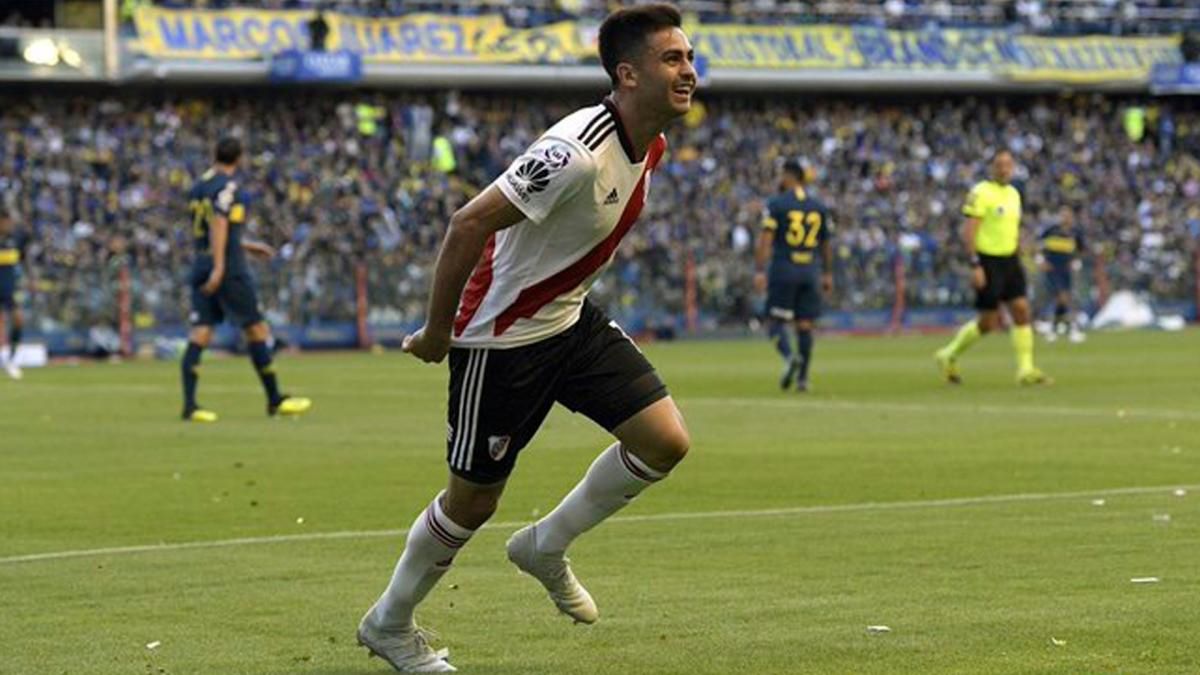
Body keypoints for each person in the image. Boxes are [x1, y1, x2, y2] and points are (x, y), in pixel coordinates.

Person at [357, 5, 696, 672]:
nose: (688, 71)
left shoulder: (650, 140)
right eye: (672, 59)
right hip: (503, 337)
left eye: (689, 57)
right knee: (472, 501)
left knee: (664, 440)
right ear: (628, 74)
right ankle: (388, 623)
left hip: (568, 319)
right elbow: (467, 223)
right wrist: (438, 332)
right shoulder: (573, 152)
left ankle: (545, 545)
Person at [181, 137, 311, 422]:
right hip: (228, 269)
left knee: (201, 332)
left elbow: (208, 230)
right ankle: (274, 400)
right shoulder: (229, 187)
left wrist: (247, 246)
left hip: (200, 262)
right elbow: (219, 222)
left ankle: (190, 406)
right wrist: (220, 267)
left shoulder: (199, 187)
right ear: (239, 158)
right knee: (257, 329)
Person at [935, 150, 1050, 386]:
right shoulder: (981, 192)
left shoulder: (1014, 194)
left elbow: (1011, 228)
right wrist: (975, 264)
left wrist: (1023, 253)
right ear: (992, 167)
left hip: (1010, 259)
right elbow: (970, 231)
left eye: (1008, 165)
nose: (1004, 169)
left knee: (1021, 310)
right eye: (1000, 165)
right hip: (988, 261)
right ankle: (948, 354)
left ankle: (1025, 369)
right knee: (988, 321)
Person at [754, 160, 833, 392]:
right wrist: (828, 273)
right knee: (805, 325)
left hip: (784, 268)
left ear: (790, 176)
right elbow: (826, 244)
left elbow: (766, 240)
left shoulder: (777, 204)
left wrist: (759, 270)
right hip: (810, 270)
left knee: (775, 322)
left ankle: (790, 358)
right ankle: (803, 379)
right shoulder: (818, 206)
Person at [1038, 205, 1086, 343]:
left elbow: (1081, 250)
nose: (1066, 218)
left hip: (1067, 270)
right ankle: (1071, 328)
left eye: (1068, 216)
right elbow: (1039, 245)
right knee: (1062, 297)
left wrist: (1076, 261)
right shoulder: (1051, 230)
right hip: (1052, 269)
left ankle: (1054, 328)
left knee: (1064, 299)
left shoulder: (1075, 233)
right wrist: (1041, 260)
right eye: (1063, 215)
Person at [0, 209, 28, 380]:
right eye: (6, 221)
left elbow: (22, 261)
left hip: (9, 289)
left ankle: (11, 360)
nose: (9, 225)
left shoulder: (15, 240)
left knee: (18, 319)